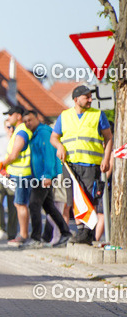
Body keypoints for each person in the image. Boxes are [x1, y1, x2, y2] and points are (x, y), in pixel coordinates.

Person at [51, 85, 113, 244]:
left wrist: (106, 159)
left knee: (89, 197)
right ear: (76, 99)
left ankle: (87, 232)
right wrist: (59, 147)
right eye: (87, 97)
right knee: (74, 198)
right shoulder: (64, 116)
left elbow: (108, 137)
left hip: (91, 164)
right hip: (70, 165)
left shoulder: (98, 115)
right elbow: (54, 138)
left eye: (90, 97)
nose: (91, 99)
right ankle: (81, 231)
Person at [24, 109, 71, 247]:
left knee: (34, 204)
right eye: (25, 121)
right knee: (49, 207)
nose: (28, 123)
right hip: (40, 176)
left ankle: (36, 238)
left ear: (37, 118)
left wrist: (48, 175)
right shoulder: (35, 134)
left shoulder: (43, 133)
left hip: (43, 177)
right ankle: (65, 233)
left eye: (30, 120)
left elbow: (49, 155)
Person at [0, 105, 33, 245]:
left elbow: (14, 155)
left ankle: (23, 235)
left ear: (18, 116)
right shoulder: (20, 130)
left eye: (10, 114)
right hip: (20, 173)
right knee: (20, 204)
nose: (8, 118)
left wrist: (2, 164)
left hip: (22, 174)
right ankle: (24, 234)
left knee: (20, 204)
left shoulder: (21, 132)